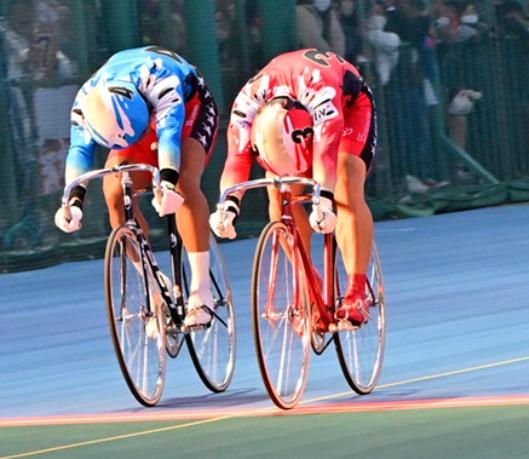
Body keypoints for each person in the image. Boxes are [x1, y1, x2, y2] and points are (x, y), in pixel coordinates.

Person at [208, 49, 379, 325]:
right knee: (278, 190)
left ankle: (356, 290)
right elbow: (236, 159)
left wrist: (323, 201)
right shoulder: (246, 106)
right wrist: (227, 205)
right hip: (293, 114)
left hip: (347, 108)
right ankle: (308, 279)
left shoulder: (320, 94)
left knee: (346, 182)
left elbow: (324, 155)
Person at [55, 47, 220, 327]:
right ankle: (154, 283)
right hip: (131, 122)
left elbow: (169, 136)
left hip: (190, 105)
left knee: (183, 183)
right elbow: (79, 152)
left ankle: (201, 289)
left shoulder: (161, 82)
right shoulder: (85, 103)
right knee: (114, 190)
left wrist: (166, 183)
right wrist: (72, 201)